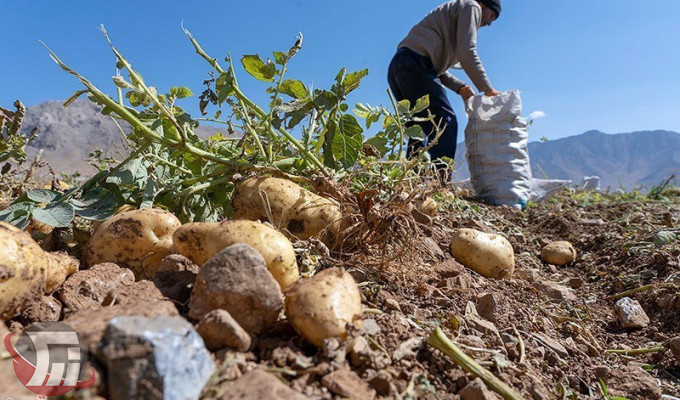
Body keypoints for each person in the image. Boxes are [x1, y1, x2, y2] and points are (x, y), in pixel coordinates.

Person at [387, 0, 502, 167]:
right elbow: (467, 52)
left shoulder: (453, 15)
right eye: (492, 15)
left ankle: (411, 184)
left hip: (399, 66)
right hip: (414, 64)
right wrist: (487, 89)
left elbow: (432, 68)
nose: (490, 23)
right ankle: (440, 183)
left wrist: (460, 88)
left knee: (418, 129)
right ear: (484, 5)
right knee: (445, 122)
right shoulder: (472, 6)